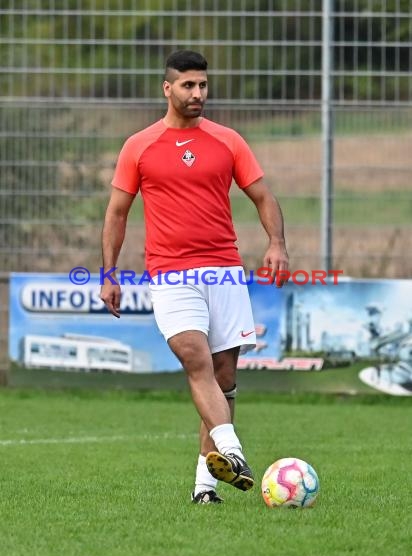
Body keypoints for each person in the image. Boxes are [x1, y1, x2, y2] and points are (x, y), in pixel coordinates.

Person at [100, 50, 289, 504]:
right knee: (195, 358)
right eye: (188, 85)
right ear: (167, 89)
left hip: (224, 271)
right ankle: (235, 453)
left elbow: (263, 197)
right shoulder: (139, 146)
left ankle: (205, 487)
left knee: (223, 378)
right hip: (170, 274)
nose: (198, 93)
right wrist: (108, 271)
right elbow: (117, 213)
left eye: (202, 85)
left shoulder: (228, 141)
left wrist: (277, 243)